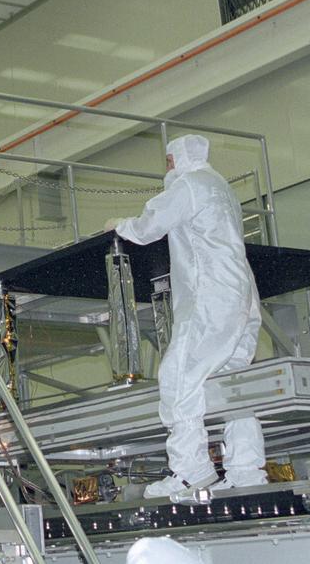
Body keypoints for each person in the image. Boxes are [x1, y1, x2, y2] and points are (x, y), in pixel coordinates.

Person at [105, 134, 266, 502]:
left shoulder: (191, 185)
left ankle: (191, 469)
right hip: (243, 294)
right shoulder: (222, 188)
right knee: (233, 382)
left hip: (211, 294)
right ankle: (246, 469)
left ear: (174, 160)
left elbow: (151, 225)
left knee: (179, 375)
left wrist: (119, 225)